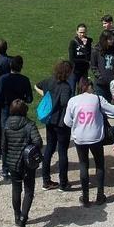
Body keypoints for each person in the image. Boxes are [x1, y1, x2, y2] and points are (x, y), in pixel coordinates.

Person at [64, 77, 114, 206]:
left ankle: (85, 197)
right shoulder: (97, 99)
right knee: (99, 164)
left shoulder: (73, 101)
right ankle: (99, 195)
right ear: (89, 86)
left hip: (80, 137)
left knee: (83, 164)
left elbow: (67, 121)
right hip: (96, 137)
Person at [1, 99, 42, 227]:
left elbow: (3, 146)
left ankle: (17, 216)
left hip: (12, 164)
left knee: (16, 189)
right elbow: (38, 141)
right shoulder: (29, 125)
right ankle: (23, 219)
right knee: (29, 191)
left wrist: (5, 163)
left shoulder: (6, 125)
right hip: (27, 164)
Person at [35, 60, 74, 190]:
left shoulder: (49, 81)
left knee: (49, 150)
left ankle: (46, 181)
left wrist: (48, 97)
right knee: (63, 152)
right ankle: (63, 183)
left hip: (50, 121)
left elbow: (37, 86)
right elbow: (65, 103)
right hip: (62, 123)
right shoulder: (66, 87)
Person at [0, 55, 33, 131]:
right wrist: (22, 100)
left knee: (6, 133)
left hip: (6, 109)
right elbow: (29, 99)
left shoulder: (3, 79)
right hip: (20, 110)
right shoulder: (25, 80)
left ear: (10, 65)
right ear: (21, 66)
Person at [90, 31, 114, 102]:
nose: (112, 41)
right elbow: (93, 66)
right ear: (104, 40)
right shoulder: (96, 51)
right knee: (100, 103)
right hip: (100, 84)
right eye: (110, 39)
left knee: (110, 105)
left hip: (112, 83)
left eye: (113, 39)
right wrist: (100, 77)